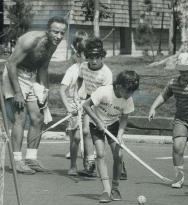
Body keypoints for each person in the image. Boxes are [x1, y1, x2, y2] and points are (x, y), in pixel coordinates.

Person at [2, 16, 67, 174]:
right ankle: (17, 161)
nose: (58, 36)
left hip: (31, 77)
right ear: (48, 30)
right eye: (55, 32)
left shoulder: (53, 44)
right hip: (14, 75)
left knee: (38, 117)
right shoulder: (30, 40)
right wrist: (17, 92)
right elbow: (11, 64)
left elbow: (43, 67)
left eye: (62, 33)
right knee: (20, 117)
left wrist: (45, 91)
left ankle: (31, 159)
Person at [148, 52, 188, 188]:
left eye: (187, 70)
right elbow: (163, 96)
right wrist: (153, 107)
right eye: (181, 69)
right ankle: (178, 177)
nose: (184, 73)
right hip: (181, 120)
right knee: (177, 146)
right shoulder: (173, 82)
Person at [83, 70, 139, 203]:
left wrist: (120, 134)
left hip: (113, 125)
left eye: (132, 92)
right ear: (119, 86)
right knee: (101, 154)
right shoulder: (104, 92)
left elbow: (125, 117)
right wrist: (97, 121)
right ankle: (106, 190)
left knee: (119, 155)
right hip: (96, 125)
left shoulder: (128, 99)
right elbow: (86, 105)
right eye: (127, 91)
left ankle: (115, 187)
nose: (129, 95)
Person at [77, 37, 127, 179]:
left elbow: (108, 94)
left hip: (103, 105)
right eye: (91, 57)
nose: (93, 61)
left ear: (102, 56)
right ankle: (90, 164)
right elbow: (80, 79)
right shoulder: (83, 67)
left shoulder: (106, 73)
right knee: (86, 131)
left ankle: (121, 165)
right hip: (89, 101)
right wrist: (78, 92)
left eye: (97, 57)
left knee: (110, 138)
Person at [60, 31, 91, 176]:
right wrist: (68, 107)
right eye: (86, 55)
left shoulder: (93, 71)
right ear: (79, 55)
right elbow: (62, 90)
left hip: (89, 107)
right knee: (76, 137)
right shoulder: (72, 70)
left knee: (87, 135)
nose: (88, 58)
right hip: (73, 107)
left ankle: (88, 165)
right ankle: (73, 165)